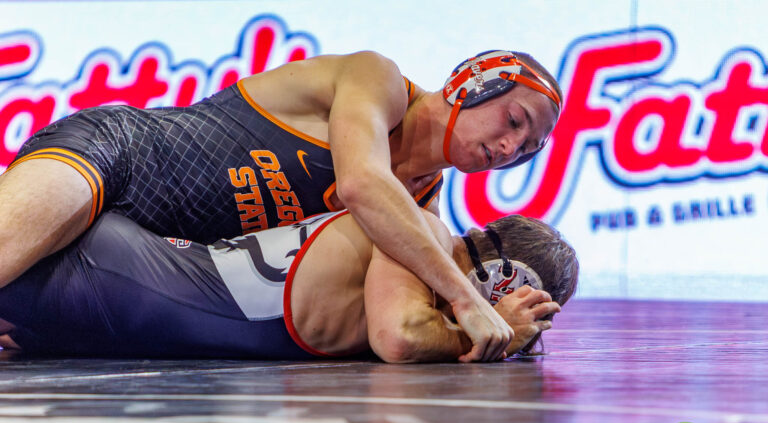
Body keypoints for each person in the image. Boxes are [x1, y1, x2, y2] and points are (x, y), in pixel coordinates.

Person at [0, 49, 562, 361]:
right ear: (472, 82)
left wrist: (495, 330)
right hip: (118, 156)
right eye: (514, 121)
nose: (510, 148)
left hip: (146, 245)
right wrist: (469, 304)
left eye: (527, 151)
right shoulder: (379, 80)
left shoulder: (422, 211)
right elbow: (360, 184)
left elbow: (394, 327)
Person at [0, 208, 578, 363]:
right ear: (508, 279)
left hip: (120, 292)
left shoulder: (419, 251)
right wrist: (494, 329)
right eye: (533, 300)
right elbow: (398, 338)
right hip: (111, 276)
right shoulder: (421, 231)